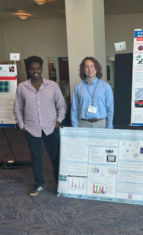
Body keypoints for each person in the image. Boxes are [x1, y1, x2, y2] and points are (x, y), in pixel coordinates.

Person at [13, 56, 66, 196]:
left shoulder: (52, 85)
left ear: (41, 69)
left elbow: (61, 105)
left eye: (37, 68)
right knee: (36, 158)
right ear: (29, 70)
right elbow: (17, 108)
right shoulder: (22, 87)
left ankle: (59, 184)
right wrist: (21, 125)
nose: (35, 71)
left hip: (51, 127)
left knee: (55, 157)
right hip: (31, 129)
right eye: (32, 68)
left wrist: (58, 122)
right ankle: (39, 183)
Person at [71, 57, 114, 128]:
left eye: (92, 66)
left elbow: (110, 108)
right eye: (86, 67)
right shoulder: (77, 87)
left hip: (101, 124)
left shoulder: (105, 86)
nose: (90, 69)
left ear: (97, 68)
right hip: (83, 124)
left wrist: (109, 125)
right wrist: (74, 126)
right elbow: (74, 109)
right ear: (83, 69)